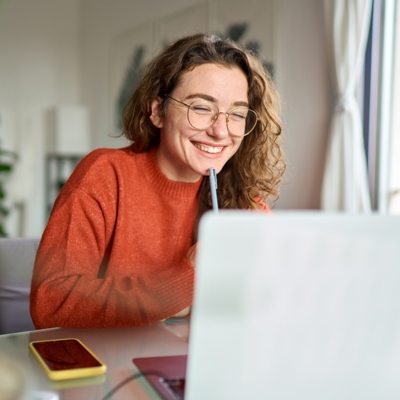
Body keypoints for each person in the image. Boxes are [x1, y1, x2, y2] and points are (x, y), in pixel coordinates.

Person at [30, 33, 285, 329]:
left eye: (237, 114)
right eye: (201, 108)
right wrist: (186, 280)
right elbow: (50, 303)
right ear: (157, 111)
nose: (220, 131)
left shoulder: (242, 199)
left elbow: (272, 301)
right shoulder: (104, 175)